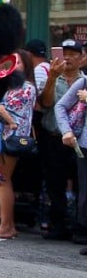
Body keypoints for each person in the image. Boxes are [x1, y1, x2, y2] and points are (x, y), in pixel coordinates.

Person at [0, 50, 36, 239]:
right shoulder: (6, 85)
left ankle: (5, 226)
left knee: (1, 180)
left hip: (10, 137)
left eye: (18, 62)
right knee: (0, 180)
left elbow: (1, 112)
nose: (14, 65)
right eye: (11, 62)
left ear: (26, 66)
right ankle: (8, 224)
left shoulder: (26, 87)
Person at [37, 38, 83, 240]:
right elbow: (46, 104)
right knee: (55, 183)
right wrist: (52, 78)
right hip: (54, 137)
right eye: (65, 53)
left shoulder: (85, 80)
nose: (69, 57)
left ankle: (80, 226)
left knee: (82, 184)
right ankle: (58, 224)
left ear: (82, 57)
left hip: (80, 141)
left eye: (74, 53)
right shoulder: (54, 78)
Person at [54, 66, 87, 246]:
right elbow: (60, 106)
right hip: (84, 145)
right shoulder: (84, 82)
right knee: (84, 192)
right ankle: (83, 229)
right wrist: (66, 130)